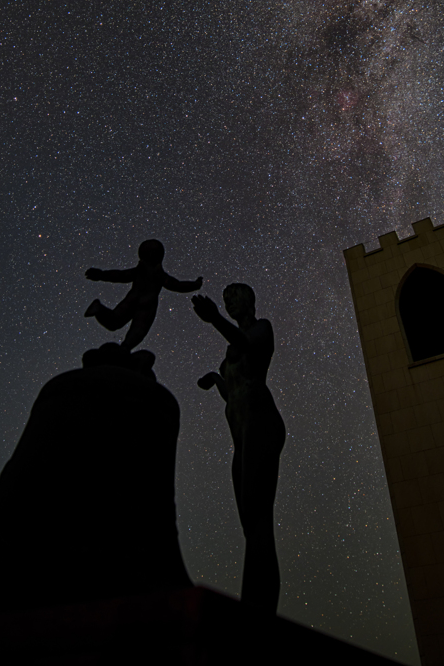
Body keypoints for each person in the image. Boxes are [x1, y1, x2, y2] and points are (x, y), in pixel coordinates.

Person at [193, 284, 286, 615]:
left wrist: (214, 319)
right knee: (250, 523)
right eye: (225, 299)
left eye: (234, 296)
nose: (228, 301)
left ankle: (258, 607)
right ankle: (254, 603)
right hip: (240, 432)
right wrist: (216, 381)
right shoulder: (233, 343)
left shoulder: (262, 329)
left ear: (249, 300)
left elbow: (246, 344)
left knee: (258, 517)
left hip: (261, 421)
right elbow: (233, 392)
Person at [84, 239, 202, 352]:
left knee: (117, 322)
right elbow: (176, 285)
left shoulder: (142, 272)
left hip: (133, 300)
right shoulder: (157, 274)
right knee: (137, 329)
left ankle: (100, 311)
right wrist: (194, 285)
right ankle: (124, 347)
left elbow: (120, 275)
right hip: (146, 305)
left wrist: (101, 275)